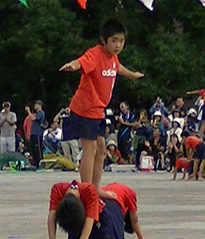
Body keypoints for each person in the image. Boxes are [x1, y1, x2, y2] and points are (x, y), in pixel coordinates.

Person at [59, 19, 144, 188]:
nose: (118, 45)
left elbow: (118, 68)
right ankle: (86, 188)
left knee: (101, 148)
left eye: (121, 41)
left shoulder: (113, 58)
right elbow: (81, 61)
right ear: (103, 40)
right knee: (90, 149)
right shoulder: (95, 54)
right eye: (114, 41)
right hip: (84, 108)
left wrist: (132, 75)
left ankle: (95, 188)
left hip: (98, 111)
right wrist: (72, 66)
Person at [25, 100, 46, 165]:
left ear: (39, 106)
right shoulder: (37, 113)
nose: (35, 106)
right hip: (33, 133)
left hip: (37, 133)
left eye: (36, 105)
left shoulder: (41, 113)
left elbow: (32, 118)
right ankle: (35, 163)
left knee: (38, 149)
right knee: (33, 149)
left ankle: (40, 162)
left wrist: (28, 111)